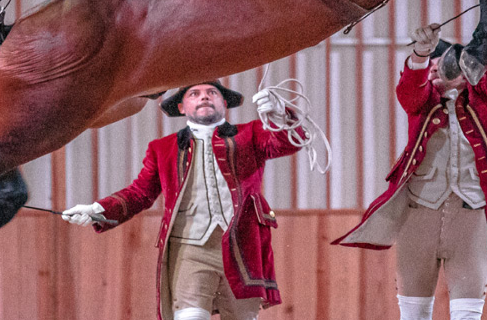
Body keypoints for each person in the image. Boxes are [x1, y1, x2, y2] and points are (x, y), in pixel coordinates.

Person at [333, 0, 487, 320]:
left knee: (467, 314)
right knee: (413, 315)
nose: (435, 67)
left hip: (471, 215)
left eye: (441, 62)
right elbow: (408, 90)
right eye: (432, 64)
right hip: (418, 215)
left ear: (465, 68)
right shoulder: (423, 102)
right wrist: (420, 54)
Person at [62, 81, 307, 320]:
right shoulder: (162, 148)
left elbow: (289, 142)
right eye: (194, 93)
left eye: (212, 92)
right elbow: (140, 193)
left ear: (224, 102)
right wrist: (98, 209)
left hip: (242, 246)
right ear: (181, 107)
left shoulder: (251, 134)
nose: (204, 97)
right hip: (189, 249)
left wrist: (280, 115)